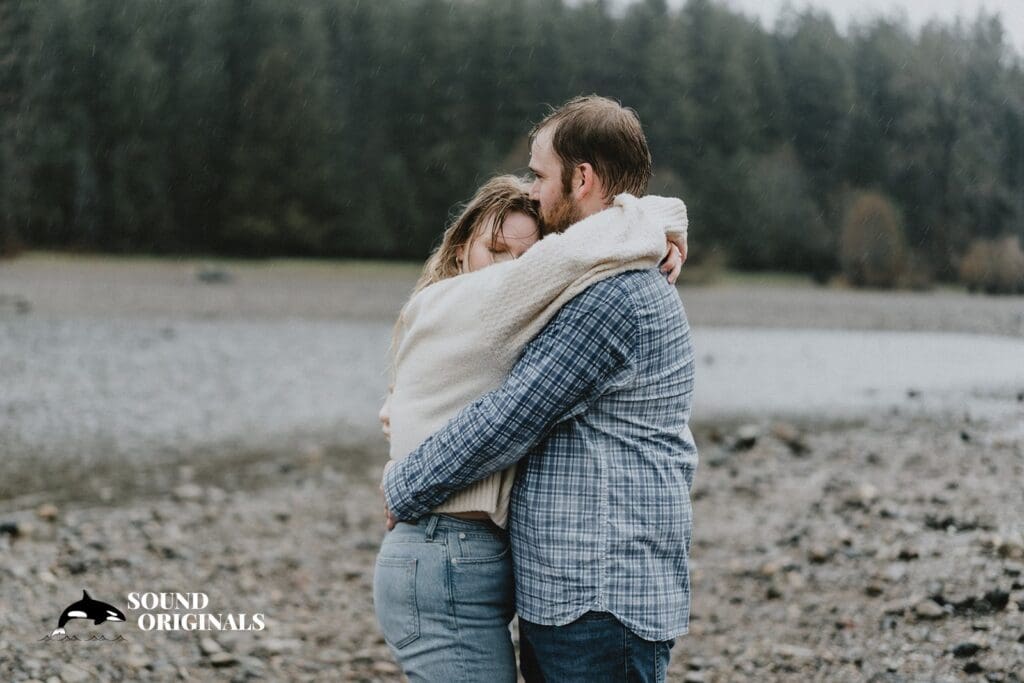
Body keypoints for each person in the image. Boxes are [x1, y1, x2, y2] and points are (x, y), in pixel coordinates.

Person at [381, 95, 698, 682]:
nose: (531, 189)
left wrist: (404, 484)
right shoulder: (599, 274)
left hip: (599, 597)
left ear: (582, 179)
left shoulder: (612, 296)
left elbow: (512, 415)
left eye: (540, 174)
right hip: (577, 596)